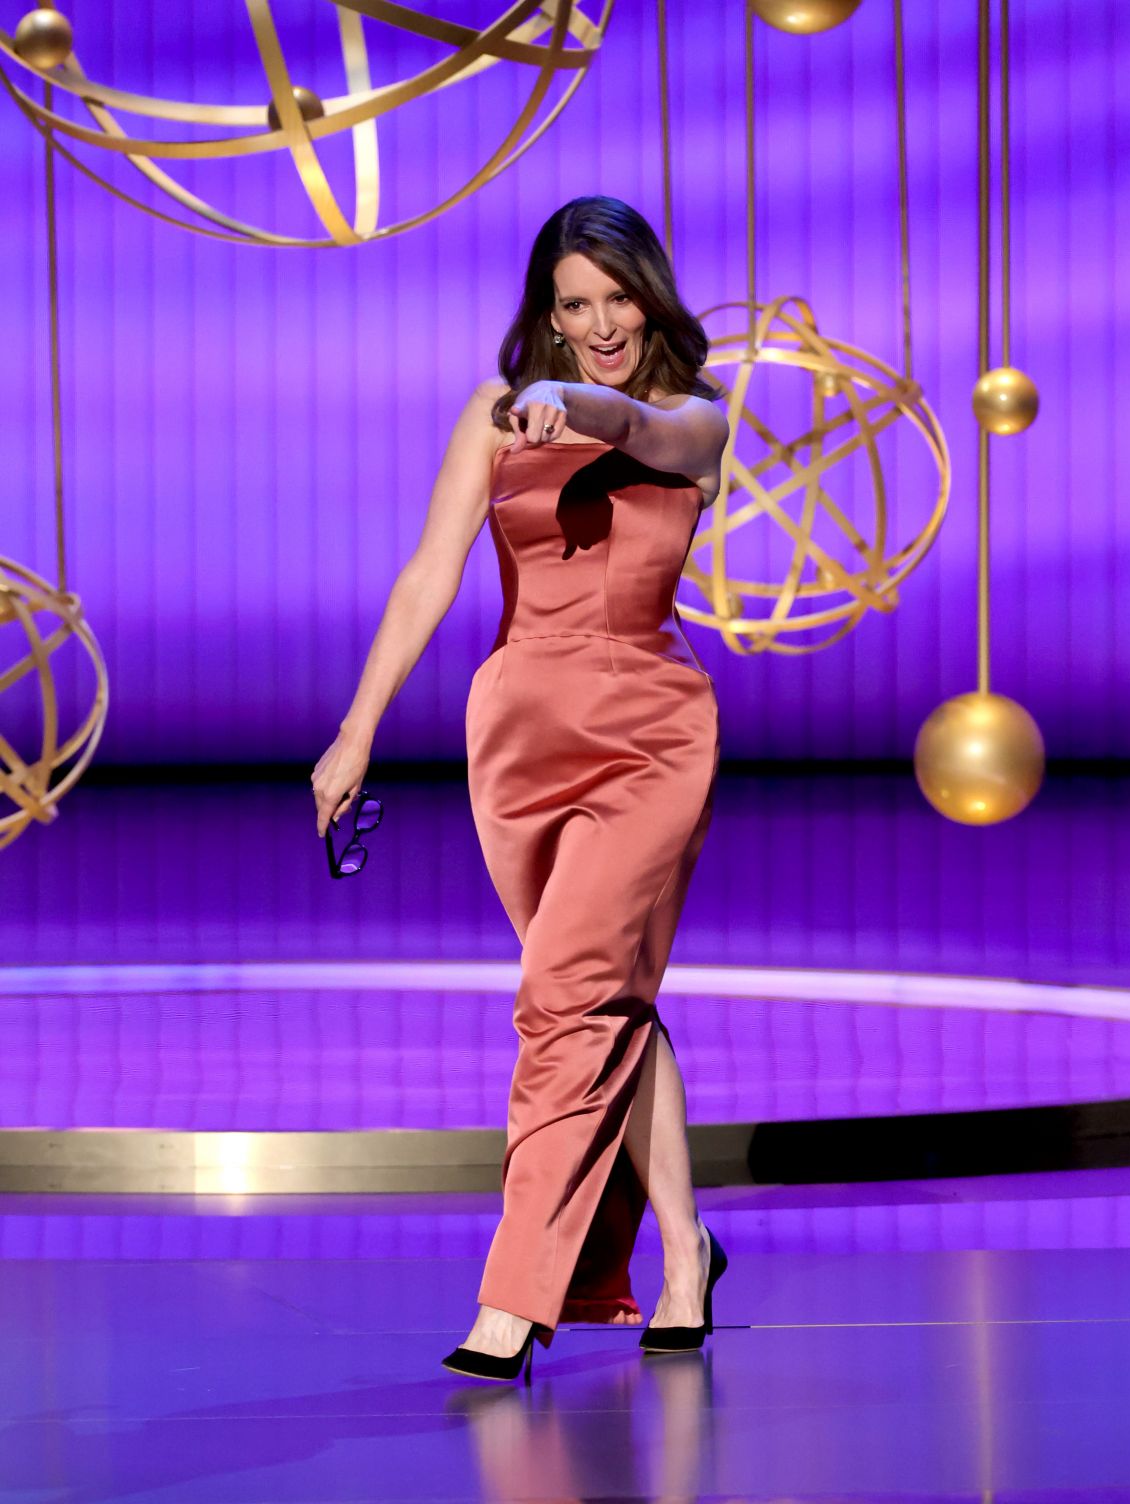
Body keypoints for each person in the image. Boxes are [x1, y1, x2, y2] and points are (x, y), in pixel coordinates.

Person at [311, 195, 729, 1383]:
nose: (597, 323)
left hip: (648, 732)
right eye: (571, 305)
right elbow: (427, 576)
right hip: (516, 737)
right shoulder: (492, 419)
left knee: (562, 1000)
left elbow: (638, 430)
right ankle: (686, 1252)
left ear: (649, 294)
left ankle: (515, 1295)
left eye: (614, 298)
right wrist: (357, 731)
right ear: (546, 311)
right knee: (607, 1001)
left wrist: (580, 406)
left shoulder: (694, 415)